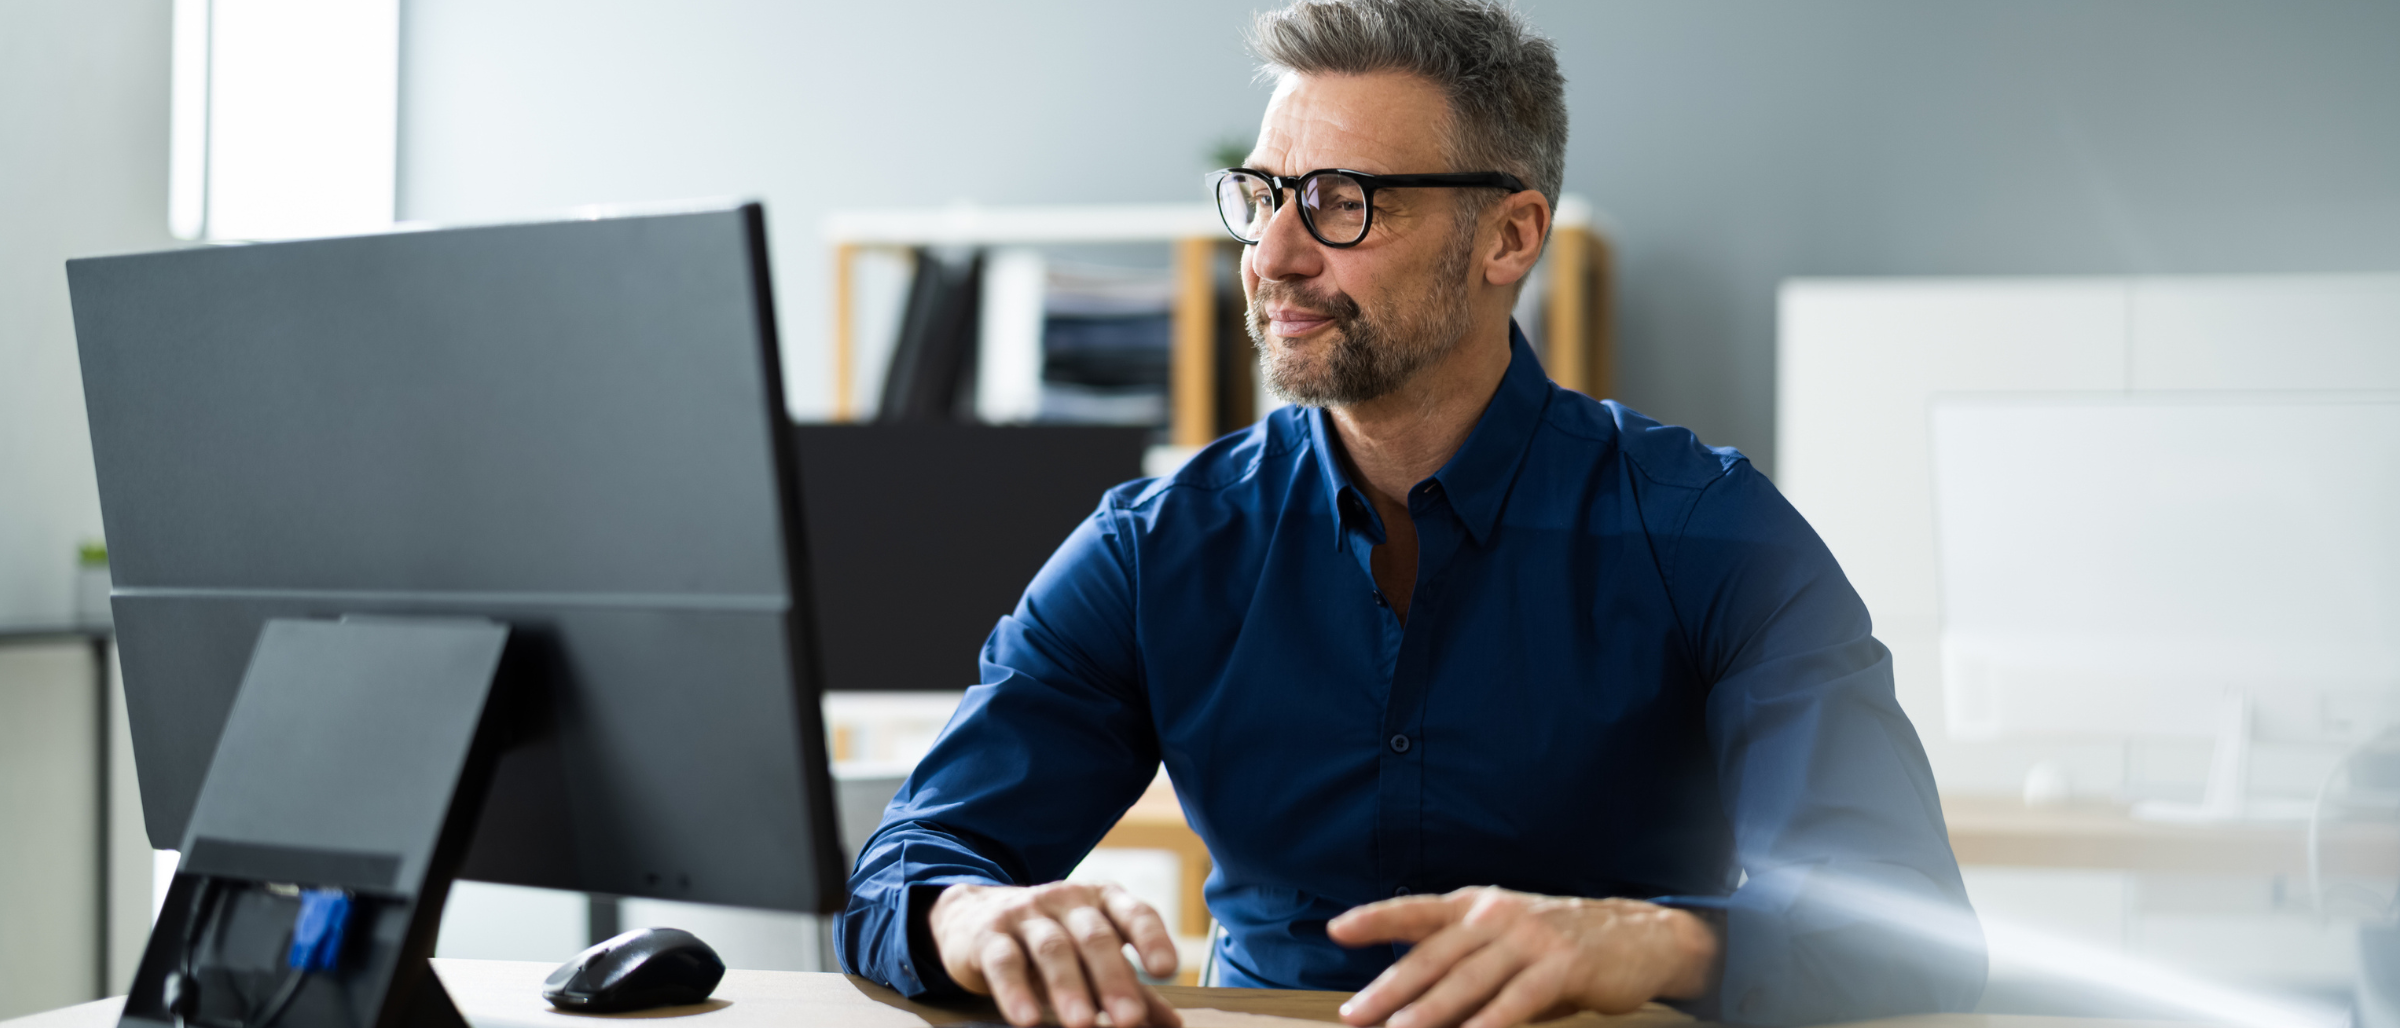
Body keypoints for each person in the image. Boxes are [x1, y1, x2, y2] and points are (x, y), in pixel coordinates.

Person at [837, 1, 1986, 1025]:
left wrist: (1647, 940)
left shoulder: (1712, 533)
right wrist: (975, 918)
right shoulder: (1156, 547)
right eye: (1264, 195)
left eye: (1343, 204)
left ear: (1511, 236)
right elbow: (907, 869)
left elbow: (1910, 928)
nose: (1275, 254)